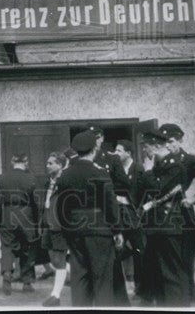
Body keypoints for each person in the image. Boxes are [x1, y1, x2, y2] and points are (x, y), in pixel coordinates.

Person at [52, 130, 123, 307]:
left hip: (75, 230)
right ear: (94, 150)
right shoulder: (99, 173)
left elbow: (61, 207)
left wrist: (67, 229)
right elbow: (110, 204)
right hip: (99, 230)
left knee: (79, 278)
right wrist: (117, 230)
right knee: (102, 280)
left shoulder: (65, 175)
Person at [138, 128, 191, 307]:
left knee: (171, 272)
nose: (145, 151)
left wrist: (147, 171)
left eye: (146, 147)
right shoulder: (161, 165)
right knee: (159, 273)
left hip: (169, 224)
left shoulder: (175, 165)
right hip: (158, 225)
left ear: (156, 146)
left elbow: (157, 189)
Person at [159, 122, 195, 302]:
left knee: (186, 257)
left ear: (180, 140)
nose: (168, 145)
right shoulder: (159, 160)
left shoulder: (190, 161)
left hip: (183, 214)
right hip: (163, 218)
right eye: (165, 142)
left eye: (171, 141)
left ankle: (187, 295)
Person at [0, 152, 39, 294]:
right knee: (27, 248)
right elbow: (36, 201)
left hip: (8, 213)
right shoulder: (31, 177)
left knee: (7, 247)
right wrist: (37, 222)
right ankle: (27, 283)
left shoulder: (3, 178)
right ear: (25, 162)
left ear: (13, 161)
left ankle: (7, 274)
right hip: (26, 215)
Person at [112, 140, 147, 295]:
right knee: (116, 250)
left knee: (140, 250)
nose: (116, 153)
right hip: (119, 214)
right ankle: (119, 288)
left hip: (134, 214)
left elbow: (143, 192)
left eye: (119, 151)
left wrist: (140, 210)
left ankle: (141, 287)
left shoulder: (138, 168)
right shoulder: (114, 169)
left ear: (128, 153)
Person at [39, 152, 70, 307]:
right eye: (47, 163)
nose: (48, 165)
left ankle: (55, 295)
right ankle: (69, 275)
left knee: (59, 260)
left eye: (51, 163)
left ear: (60, 164)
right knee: (54, 259)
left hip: (59, 226)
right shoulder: (48, 182)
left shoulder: (65, 181)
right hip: (48, 224)